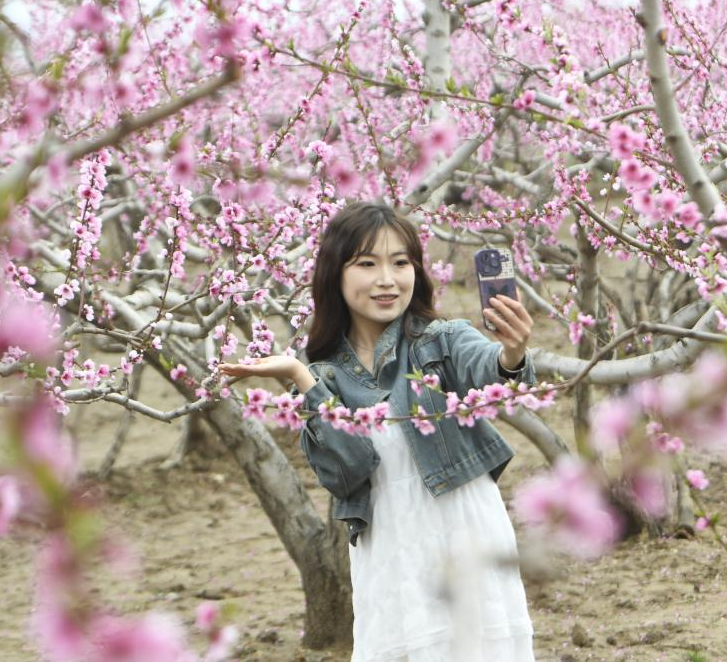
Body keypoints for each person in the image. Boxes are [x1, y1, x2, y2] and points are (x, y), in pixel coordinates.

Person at [219, 202, 536, 661]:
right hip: (390, 548)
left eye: (400, 263)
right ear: (336, 274)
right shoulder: (326, 375)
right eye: (367, 264)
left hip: (464, 530)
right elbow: (348, 470)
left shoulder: (440, 340)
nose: (387, 279)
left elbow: (491, 370)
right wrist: (302, 380)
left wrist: (512, 353)